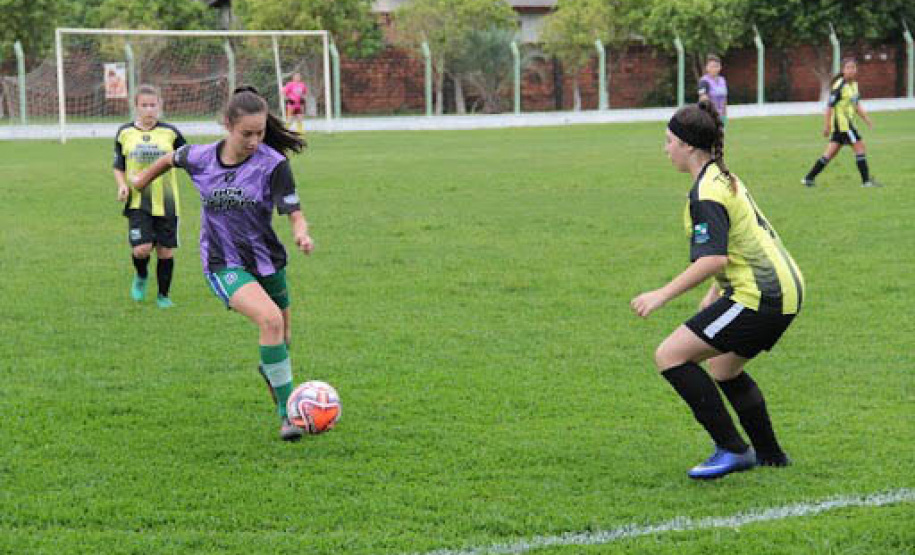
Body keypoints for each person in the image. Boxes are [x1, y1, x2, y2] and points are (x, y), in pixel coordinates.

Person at [631, 100, 804, 480]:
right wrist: (715, 293)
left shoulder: (706, 192)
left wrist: (660, 294)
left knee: (670, 355)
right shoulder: (724, 177)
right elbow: (741, 243)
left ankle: (733, 449)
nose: (666, 148)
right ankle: (771, 455)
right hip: (785, 290)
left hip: (762, 296)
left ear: (688, 145)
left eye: (669, 140)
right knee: (723, 368)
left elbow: (714, 259)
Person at [132, 85, 314, 441]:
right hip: (222, 263)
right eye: (247, 133)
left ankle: (275, 374)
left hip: (268, 262)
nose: (254, 141)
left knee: (282, 339)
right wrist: (139, 180)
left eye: (260, 133)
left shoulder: (273, 164)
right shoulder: (201, 157)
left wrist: (302, 233)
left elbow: (294, 211)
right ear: (228, 125)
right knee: (270, 320)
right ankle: (287, 416)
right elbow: (171, 158)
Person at [113, 84, 187, 308]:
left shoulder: (171, 133)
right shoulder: (125, 133)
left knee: (165, 252)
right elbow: (119, 165)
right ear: (135, 107)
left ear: (160, 106)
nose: (149, 110)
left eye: (153, 105)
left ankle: (163, 296)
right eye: (144, 105)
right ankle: (142, 275)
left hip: (167, 202)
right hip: (138, 202)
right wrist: (122, 185)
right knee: (141, 249)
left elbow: (189, 158)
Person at [802, 57, 881, 188]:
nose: (851, 70)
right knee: (860, 147)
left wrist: (867, 119)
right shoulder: (839, 85)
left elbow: (856, 105)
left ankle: (808, 178)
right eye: (848, 68)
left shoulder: (854, 85)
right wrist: (827, 126)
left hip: (847, 124)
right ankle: (866, 181)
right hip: (843, 126)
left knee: (829, 154)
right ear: (843, 70)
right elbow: (829, 107)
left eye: (853, 67)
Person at [697, 54, 728, 128]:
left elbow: (724, 98)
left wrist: (724, 116)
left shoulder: (722, 80)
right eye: (711, 66)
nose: (714, 69)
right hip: (708, 116)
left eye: (716, 66)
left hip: (720, 115)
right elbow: (703, 99)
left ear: (720, 67)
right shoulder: (704, 81)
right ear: (707, 68)